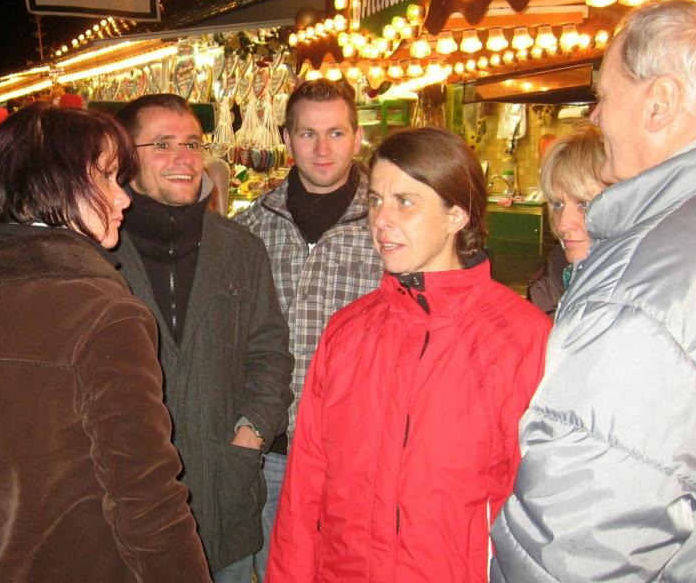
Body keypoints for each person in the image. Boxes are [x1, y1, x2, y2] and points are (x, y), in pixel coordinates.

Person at [491, 0, 696, 581]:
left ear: (660, 102)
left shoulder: (650, 277)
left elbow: (582, 541)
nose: (597, 116)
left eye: (604, 94)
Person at [0, 102, 210, 583]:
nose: (123, 199)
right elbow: (147, 496)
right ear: (52, 183)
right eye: (106, 178)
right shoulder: (103, 313)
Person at [267, 127, 552, 582]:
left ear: (456, 215)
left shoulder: (521, 339)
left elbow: (534, 506)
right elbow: (306, 488)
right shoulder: (347, 332)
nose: (381, 219)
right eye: (376, 200)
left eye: (405, 201)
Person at [114, 94, 293, 583]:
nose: (184, 158)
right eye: (163, 144)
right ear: (126, 157)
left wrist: (250, 435)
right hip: (131, 514)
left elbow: (270, 354)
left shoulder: (239, 248)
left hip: (223, 502)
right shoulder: (103, 252)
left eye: (192, 143)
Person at [234, 79, 383, 580]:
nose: (323, 149)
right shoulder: (252, 226)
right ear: (286, 138)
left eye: (336, 133)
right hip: (270, 453)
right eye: (307, 134)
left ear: (357, 137)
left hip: (358, 455)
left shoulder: (386, 225)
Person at [526, 126, 607, 315]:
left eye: (583, 204)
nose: (562, 225)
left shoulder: (642, 296)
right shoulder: (545, 289)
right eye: (558, 204)